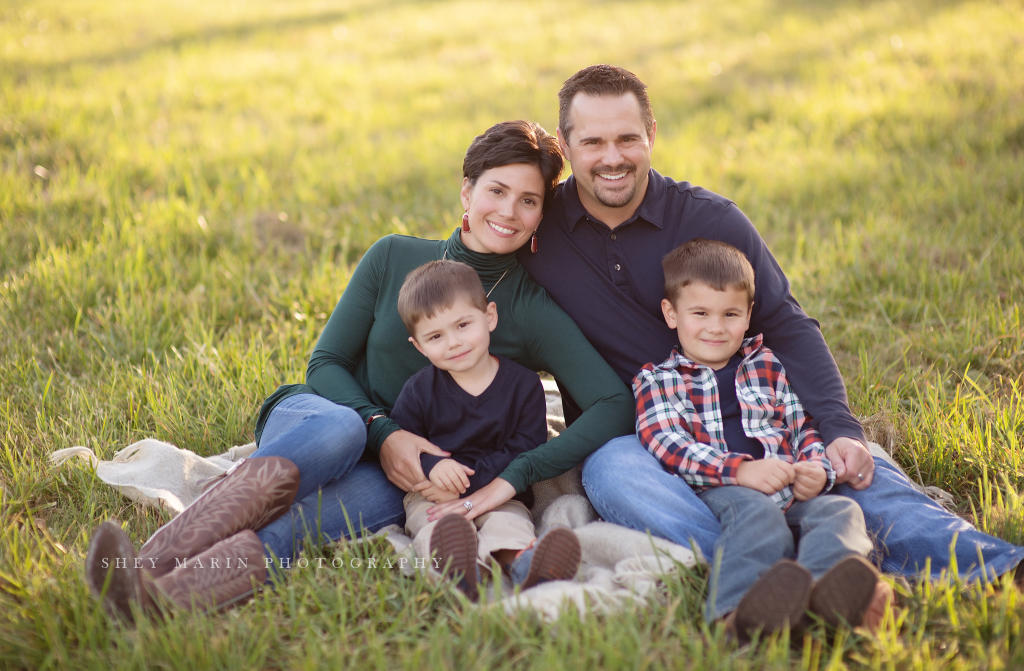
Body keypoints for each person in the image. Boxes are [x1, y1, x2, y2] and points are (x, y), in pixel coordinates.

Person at [84, 120, 633, 618]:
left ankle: (157, 604)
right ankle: (138, 568)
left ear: (541, 214)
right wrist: (383, 429)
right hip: (323, 418)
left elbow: (613, 402)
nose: (509, 212)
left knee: (297, 528)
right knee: (342, 429)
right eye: (496, 191)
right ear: (467, 191)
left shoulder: (529, 308)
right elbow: (326, 363)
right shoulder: (393, 255)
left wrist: (516, 476)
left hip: (398, 478)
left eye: (529, 201)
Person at [517, 64, 1024, 592]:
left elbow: (786, 325)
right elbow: (461, 294)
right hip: (643, 436)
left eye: (627, 138)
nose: (613, 158)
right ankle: (799, 568)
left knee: (859, 473)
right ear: (565, 145)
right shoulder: (534, 229)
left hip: (760, 415)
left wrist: (842, 429)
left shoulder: (711, 220)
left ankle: (995, 565)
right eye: (593, 141)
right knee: (611, 474)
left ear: (652, 135)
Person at [635, 239, 882, 636]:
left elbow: (801, 426)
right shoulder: (659, 379)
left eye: (730, 313)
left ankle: (823, 596)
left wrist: (816, 468)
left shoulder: (765, 364)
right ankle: (734, 615)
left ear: (749, 315)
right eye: (700, 313)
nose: (716, 327)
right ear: (671, 313)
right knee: (758, 515)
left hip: (788, 492)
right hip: (720, 493)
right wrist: (741, 471)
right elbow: (666, 444)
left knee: (839, 512)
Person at [391, 259, 581, 602]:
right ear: (418, 346)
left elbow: (526, 448)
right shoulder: (419, 391)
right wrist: (435, 468)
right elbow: (406, 446)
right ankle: (456, 568)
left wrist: (472, 483)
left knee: (509, 525)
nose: (454, 342)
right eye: (435, 336)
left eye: (463, 324)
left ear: (489, 316)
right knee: (434, 525)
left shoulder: (524, 385)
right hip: (434, 494)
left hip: (500, 490)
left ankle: (526, 567)